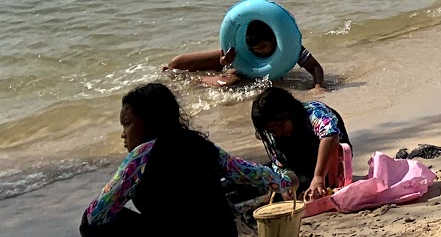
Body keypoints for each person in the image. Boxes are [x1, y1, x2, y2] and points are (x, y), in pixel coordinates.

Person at [81, 82, 292, 234]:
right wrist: (286, 180)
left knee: (89, 222)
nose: (123, 133)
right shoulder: (199, 145)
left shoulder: (141, 156)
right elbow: (245, 172)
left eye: (127, 124)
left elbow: (97, 214)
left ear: (150, 122)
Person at [251, 86, 352, 200]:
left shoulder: (314, 111)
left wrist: (318, 177)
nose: (278, 132)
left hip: (329, 164)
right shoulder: (274, 136)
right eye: (272, 130)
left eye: (280, 125)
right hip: (300, 165)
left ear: (290, 114)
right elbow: (280, 165)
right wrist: (286, 184)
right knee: (256, 178)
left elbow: (331, 136)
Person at [165, 19, 325, 90]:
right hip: (243, 65)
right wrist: (224, 60)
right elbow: (224, 62)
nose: (259, 51)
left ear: (274, 40)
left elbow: (315, 67)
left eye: (263, 47)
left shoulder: (290, 48)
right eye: (255, 49)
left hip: (259, 73)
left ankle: (195, 79)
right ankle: (185, 76)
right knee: (177, 63)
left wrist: (318, 85)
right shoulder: (246, 49)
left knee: (227, 84)